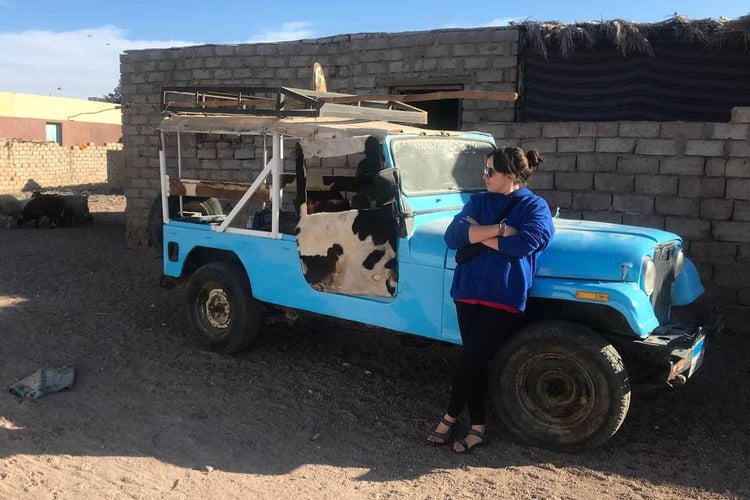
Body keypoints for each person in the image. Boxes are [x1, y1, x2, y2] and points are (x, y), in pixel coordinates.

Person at [426, 146, 555, 453]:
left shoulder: (534, 206)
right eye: (485, 170)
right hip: (467, 292)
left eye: (490, 171)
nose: (484, 176)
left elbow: (525, 244)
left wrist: (477, 232)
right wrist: (500, 230)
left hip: (503, 295)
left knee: (470, 359)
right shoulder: (479, 200)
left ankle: (449, 417)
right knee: (476, 360)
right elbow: (453, 237)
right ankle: (478, 428)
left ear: (510, 175)